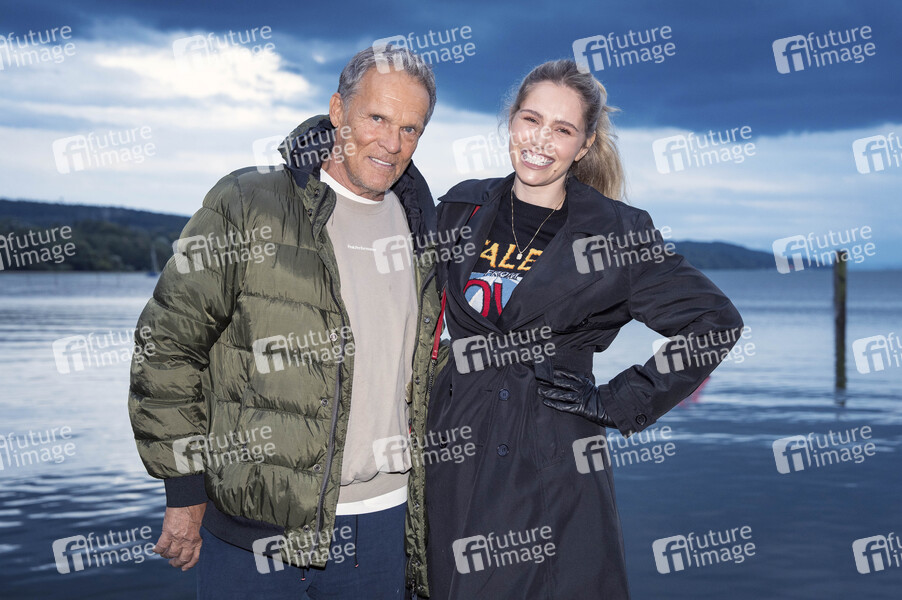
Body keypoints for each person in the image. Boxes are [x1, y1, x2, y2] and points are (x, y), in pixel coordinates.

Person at [128, 46, 442, 599]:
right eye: (377, 118)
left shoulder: (423, 226)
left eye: (410, 128)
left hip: (381, 528)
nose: (392, 143)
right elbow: (168, 345)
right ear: (338, 110)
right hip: (255, 529)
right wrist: (184, 489)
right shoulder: (247, 201)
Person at [424, 59, 744, 598]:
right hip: (455, 443)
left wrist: (617, 400)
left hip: (550, 453)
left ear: (585, 144)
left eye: (562, 129)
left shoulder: (615, 233)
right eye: (531, 119)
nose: (540, 140)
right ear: (511, 120)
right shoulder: (461, 207)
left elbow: (715, 322)